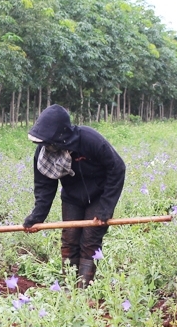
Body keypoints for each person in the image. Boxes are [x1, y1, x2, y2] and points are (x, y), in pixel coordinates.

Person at [22, 105, 126, 287]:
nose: (47, 147)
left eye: (50, 143)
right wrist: (37, 217)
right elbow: (44, 186)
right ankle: (70, 287)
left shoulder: (89, 140)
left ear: (61, 136)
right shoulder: (44, 154)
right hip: (71, 197)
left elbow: (117, 168)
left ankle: (84, 288)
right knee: (69, 240)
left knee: (90, 240)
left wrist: (106, 208)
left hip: (99, 196)